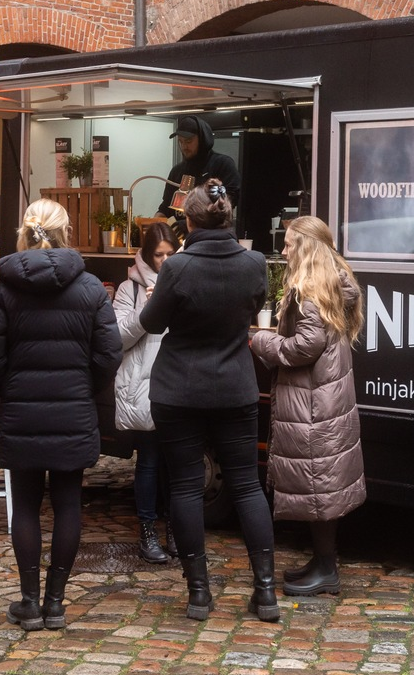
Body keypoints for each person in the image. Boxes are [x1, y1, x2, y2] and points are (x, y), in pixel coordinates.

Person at [0, 199, 122, 631]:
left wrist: (8, 391)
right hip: (73, 408)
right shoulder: (91, 288)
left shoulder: (5, 290)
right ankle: (55, 602)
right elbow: (108, 354)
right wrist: (84, 388)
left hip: (21, 409)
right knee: (68, 502)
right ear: (66, 231)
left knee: (25, 504)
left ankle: (28, 601)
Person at [139, 178, 279, 623]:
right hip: (235, 385)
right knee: (247, 486)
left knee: (183, 486)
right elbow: (257, 303)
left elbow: (151, 322)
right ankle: (266, 592)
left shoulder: (177, 267)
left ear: (189, 219)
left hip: (179, 388)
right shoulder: (254, 262)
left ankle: (199, 593)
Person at [249, 216, 366, 598]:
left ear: (307, 248)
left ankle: (327, 569)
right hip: (325, 400)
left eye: (289, 244)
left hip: (315, 405)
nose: (283, 251)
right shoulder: (334, 285)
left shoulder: (309, 291)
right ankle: (322, 562)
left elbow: (304, 347)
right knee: (322, 485)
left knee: (319, 485)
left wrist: (262, 343)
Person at [112, 222, 179, 564]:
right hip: (145, 387)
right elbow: (118, 337)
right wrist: (148, 311)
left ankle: (176, 531)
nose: (165, 262)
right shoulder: (129, 288)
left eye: (170, 254)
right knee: (150, 461)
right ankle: (148, 533)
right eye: (158, 255)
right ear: (146, 255)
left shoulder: (184, 280)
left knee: (179, 464)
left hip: (179, 384)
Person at [155, 115, 241, 229]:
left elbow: (226, 205)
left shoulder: (222, 165)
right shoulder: (177, 171)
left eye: (188, 141)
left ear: (202, 139)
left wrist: (190, 224)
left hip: (212, 240)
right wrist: (154, 224)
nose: (184, 146)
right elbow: (166, 207)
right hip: (180, 241)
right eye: (180, 142)